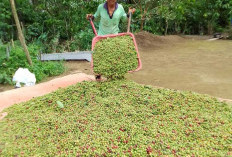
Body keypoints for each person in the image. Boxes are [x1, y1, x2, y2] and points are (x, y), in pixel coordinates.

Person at [86, 0, 135, 81]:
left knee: (113, 59)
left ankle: (113, 79)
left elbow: (124, 19)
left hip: (114, 38)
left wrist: (129, 14)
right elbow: (96, 17)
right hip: (102, 38)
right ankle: (98, 78)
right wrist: (90, 17)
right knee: (99, 59)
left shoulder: (120, 8)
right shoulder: (101, 7)